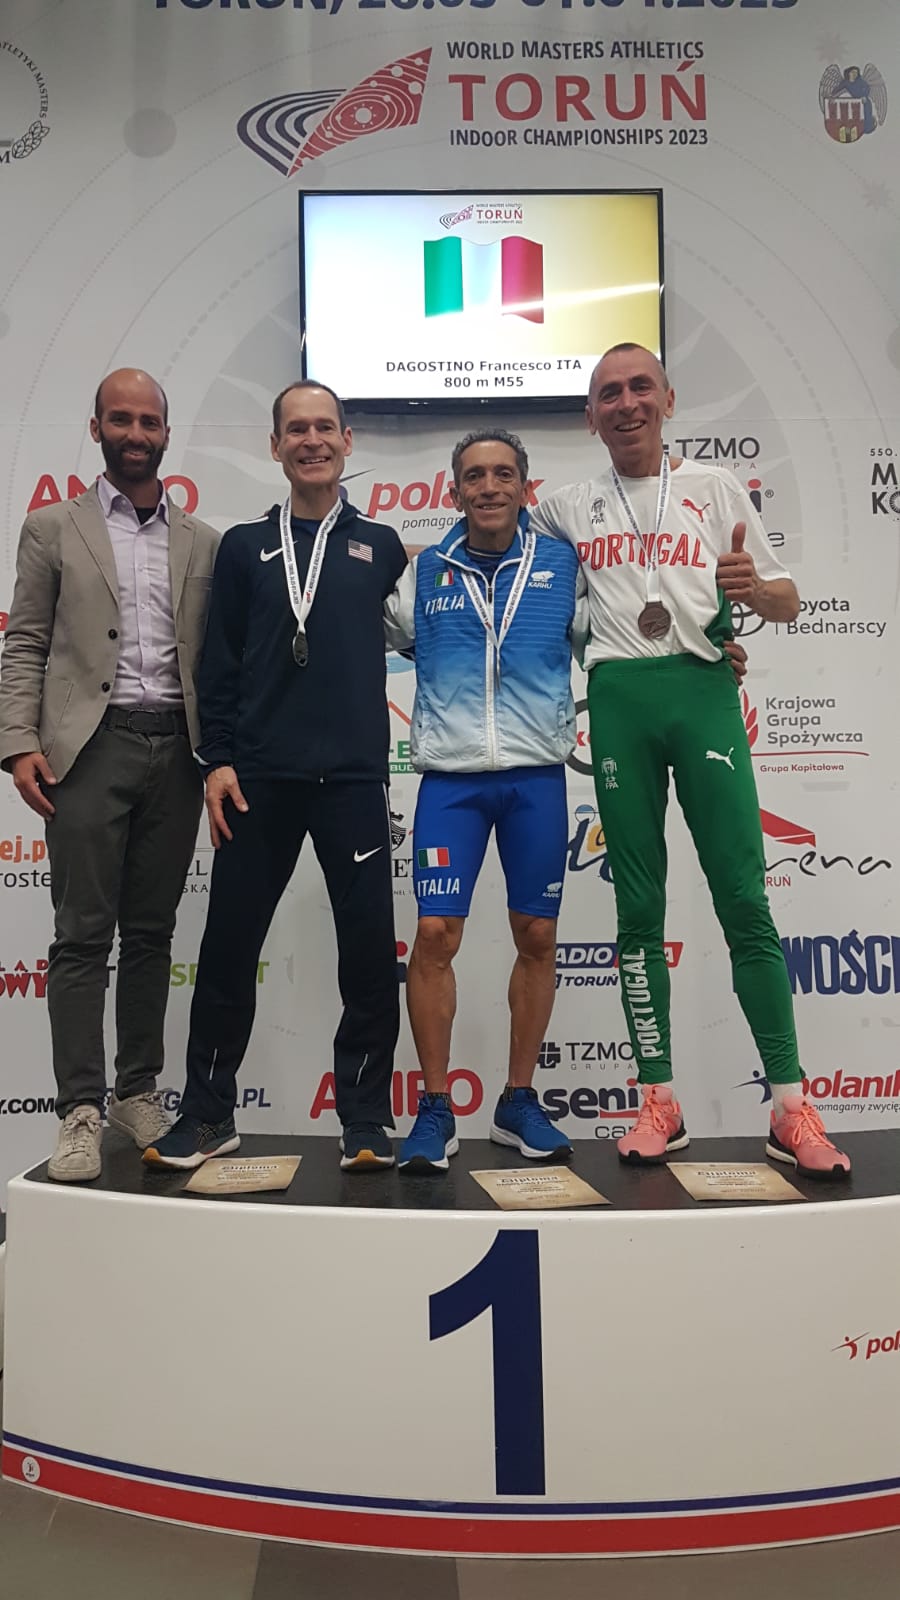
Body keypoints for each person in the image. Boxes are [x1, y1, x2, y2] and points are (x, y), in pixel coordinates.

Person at [530, 343, 850, 1179]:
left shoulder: (714, 488)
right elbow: (501, 557)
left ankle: (791, 1106)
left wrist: (749, 590)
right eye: (609, 393)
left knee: (744, 898)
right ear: (589, 416)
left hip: (703, 691)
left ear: (669, 400)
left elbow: (786, 599)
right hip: (620, 701)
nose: (627, 403)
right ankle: (658, 1101)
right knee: (638, 911)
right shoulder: (563, 507)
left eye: (641, 387)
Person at [144, 381, 406, 1173]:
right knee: (228, 947)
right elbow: (217, 663)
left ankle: (365, 1118)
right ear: (275, 445)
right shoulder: (243, 547)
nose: (311, 440)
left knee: (368, 955)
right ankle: (207, 1115)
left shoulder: (383, 546)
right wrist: (217, 760)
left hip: (354, 780)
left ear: (347, 441)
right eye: (296, 429)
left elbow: (438, 637)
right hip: (257, 777)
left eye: (325, 427)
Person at [0, 370, 219, 1182]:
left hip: (178, 752)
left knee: (153, 933)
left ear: (166, 433)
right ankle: (79, 1111)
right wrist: (18, 742)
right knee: (83, 935)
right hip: (88, 751)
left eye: (148, 421)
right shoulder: (52, 527)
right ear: (96, 428)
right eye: (120, 420)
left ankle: (136, 1092)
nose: (135, 434)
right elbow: (25, 641)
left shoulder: (202, 540)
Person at [384, 429, 583, 1171]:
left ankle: (518, 1101)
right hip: (451, 782)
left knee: (537, 934)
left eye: (503, 474)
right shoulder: (425, 572)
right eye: (474, 476)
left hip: (536, 779)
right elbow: (353, 634)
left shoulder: (562, 566)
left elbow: (623, 635)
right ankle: (436, 1108)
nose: (489, 487)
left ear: (525, 487)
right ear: (455, 490)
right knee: (434, 934)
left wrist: (713, 647)